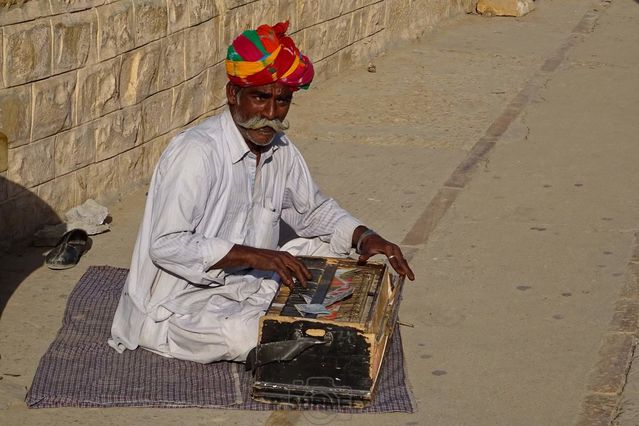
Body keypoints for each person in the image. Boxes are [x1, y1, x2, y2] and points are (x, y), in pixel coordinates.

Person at [109, 22, 414, 364]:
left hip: (250, 283)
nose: (270, 115)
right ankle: (277, 344)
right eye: (260, 98)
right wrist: (256, 256)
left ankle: (290, 335)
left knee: (336, 253)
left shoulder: (279, 147)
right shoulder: (196, 152)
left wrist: (364, 236)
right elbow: (167, 245)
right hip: (181, 299)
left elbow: (311, 210)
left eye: (282, 101)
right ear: (232, 94)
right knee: (246, 331)